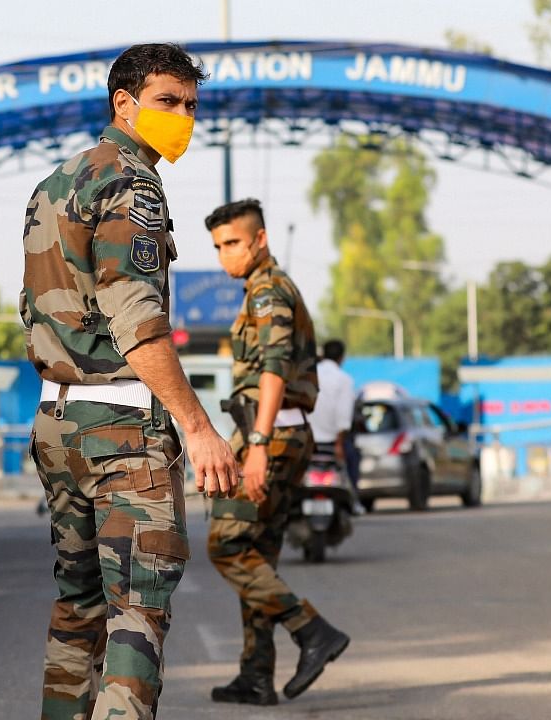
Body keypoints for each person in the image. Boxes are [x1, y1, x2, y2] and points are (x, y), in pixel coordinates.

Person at [20, 43, 238, 720]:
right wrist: (199, 430)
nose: (184, 119)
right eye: (168, 102)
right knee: (137, 609)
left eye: (192, 106)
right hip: (120, 429)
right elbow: (138, 324)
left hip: (59, 422)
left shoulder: (56, 182)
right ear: (126, 103)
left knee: (78, 604)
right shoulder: (132, 183)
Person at [204, 198, 351, 706]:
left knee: (226, 546)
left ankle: (312, 631)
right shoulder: (261, 289)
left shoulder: (269, 290)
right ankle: (257, 674)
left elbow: (273, 366)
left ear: (260, 240)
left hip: (272, 436)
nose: (226, 256)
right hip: (284, 434)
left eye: (233, 244)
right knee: (257, 553)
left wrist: (259, 447)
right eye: (218, 246)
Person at [311, 339, 359, 504]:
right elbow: (343, 416)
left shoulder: (309, 374)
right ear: (341, 357)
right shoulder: (344, 379)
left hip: (306, 441)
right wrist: (339, 444)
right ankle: (353, 502)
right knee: (353, 460)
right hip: (332, 443)